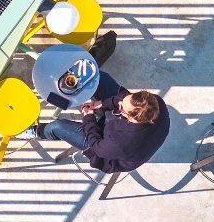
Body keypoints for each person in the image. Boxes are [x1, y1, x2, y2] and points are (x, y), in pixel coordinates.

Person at [25, 71, 170, 174]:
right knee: (101, 78)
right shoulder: (154, 102)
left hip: (104, 151)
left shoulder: (121, 142)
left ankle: (36, 131)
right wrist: (102, 104)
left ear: (131, 118)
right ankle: (69, 87)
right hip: (125, 134)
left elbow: (97, 146)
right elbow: (122, 100)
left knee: (58, 126)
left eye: (122, 109)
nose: (119, 105)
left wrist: (89, 117)